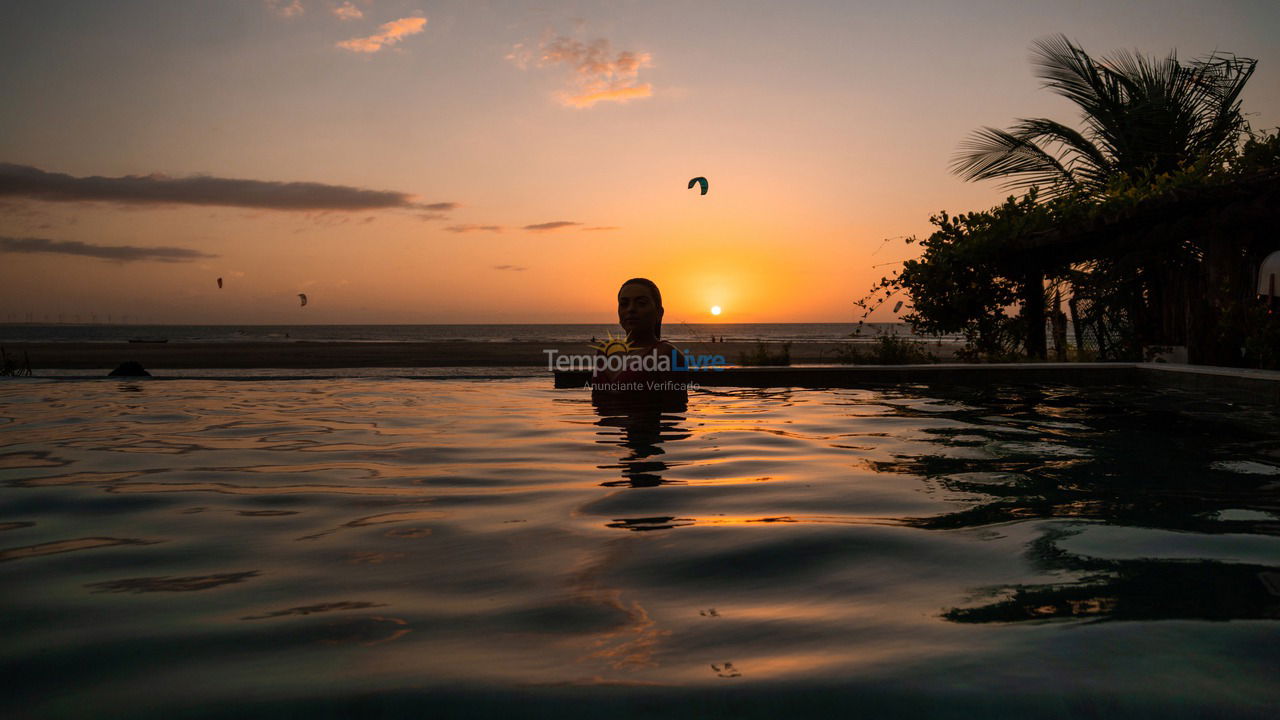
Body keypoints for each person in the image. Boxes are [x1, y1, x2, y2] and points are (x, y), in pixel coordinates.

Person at [591, 277, 689, 408]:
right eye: (624, 304)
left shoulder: (666, 354)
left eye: (641, 303)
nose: (631, 309)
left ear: (659, 313)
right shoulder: (605, 351)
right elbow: (596, 400)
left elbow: (675, 410)